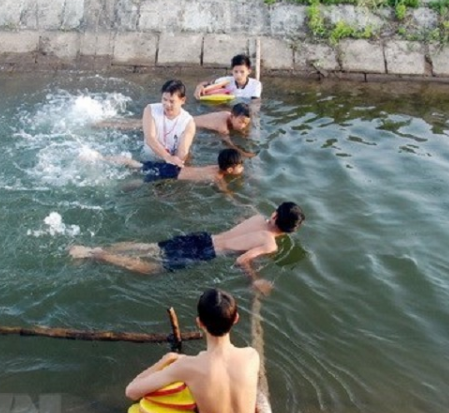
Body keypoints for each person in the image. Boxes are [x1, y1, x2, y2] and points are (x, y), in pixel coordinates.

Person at [69, 202, 305, 295]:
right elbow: (241, 260)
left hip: (203, 238)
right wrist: (254, 280)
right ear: (290, 231)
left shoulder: (257, 217)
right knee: (151, 269)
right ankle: (99, 255)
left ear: (274, 215)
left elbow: (242, 218)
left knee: (152, 247)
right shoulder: (270, 244)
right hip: (205, 253)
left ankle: (99, 247)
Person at [125, 288, 259, 413]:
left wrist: (167, 358)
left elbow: (132, 392)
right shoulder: (252, 357)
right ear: (236, 318)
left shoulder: (186, 367)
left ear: (199, 323)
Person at [88, 148, 244, 192]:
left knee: (137, 165)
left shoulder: (214, 166)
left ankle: (99, 157)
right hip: (172, 175)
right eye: (240, 166)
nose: (242, 168)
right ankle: (115, 189)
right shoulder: (217, 178)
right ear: (229, 170)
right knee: (142, 181)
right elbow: (226, 194)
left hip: (173, 167)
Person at [142, 79, 197, 168]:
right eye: (164, 99)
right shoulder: (150, 110)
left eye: (172, 101)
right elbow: (150, 138)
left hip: (172, 161)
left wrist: (176, 163)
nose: (167, 104)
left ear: (182, 100)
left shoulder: (188, 122)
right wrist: (167, 157)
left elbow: (183, 151)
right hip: (149, 159)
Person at [193, 54, 262, 100]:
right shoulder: (227, 81)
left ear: (249, 71)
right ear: (232, 71)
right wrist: (199, 87)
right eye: (236, 71)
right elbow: (207, 84)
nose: (238, 75)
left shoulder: (256, 85)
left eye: (242, 72)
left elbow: (255, 104)